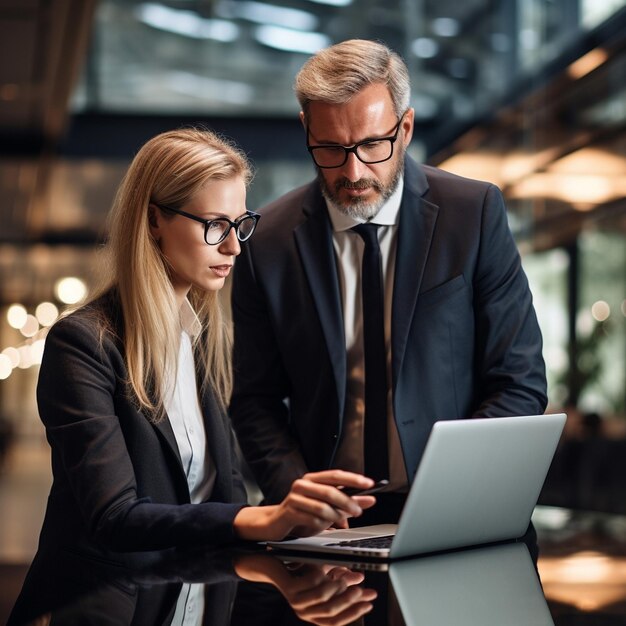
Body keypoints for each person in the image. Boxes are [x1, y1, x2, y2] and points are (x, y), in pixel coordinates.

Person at [12, 128, 377, 617]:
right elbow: (115, 518)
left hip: (195, 592)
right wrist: (264, 517)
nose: (234, 248)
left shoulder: (202, 341)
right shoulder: (82, 345)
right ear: (154, 221)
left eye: (240, 224)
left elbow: (220, 495)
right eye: (213, 225)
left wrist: (296, 525)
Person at [230, 39, 548, 525]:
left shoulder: (474, 214)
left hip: (457, 512)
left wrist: (454, 488)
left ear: (405, 128)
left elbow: (519, 380)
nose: (353, 171)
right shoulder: (266, 242)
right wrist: (295, 491)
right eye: (331, 149)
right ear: (305, 130)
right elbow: (254, 399)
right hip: (326, 527)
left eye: (372, 145)